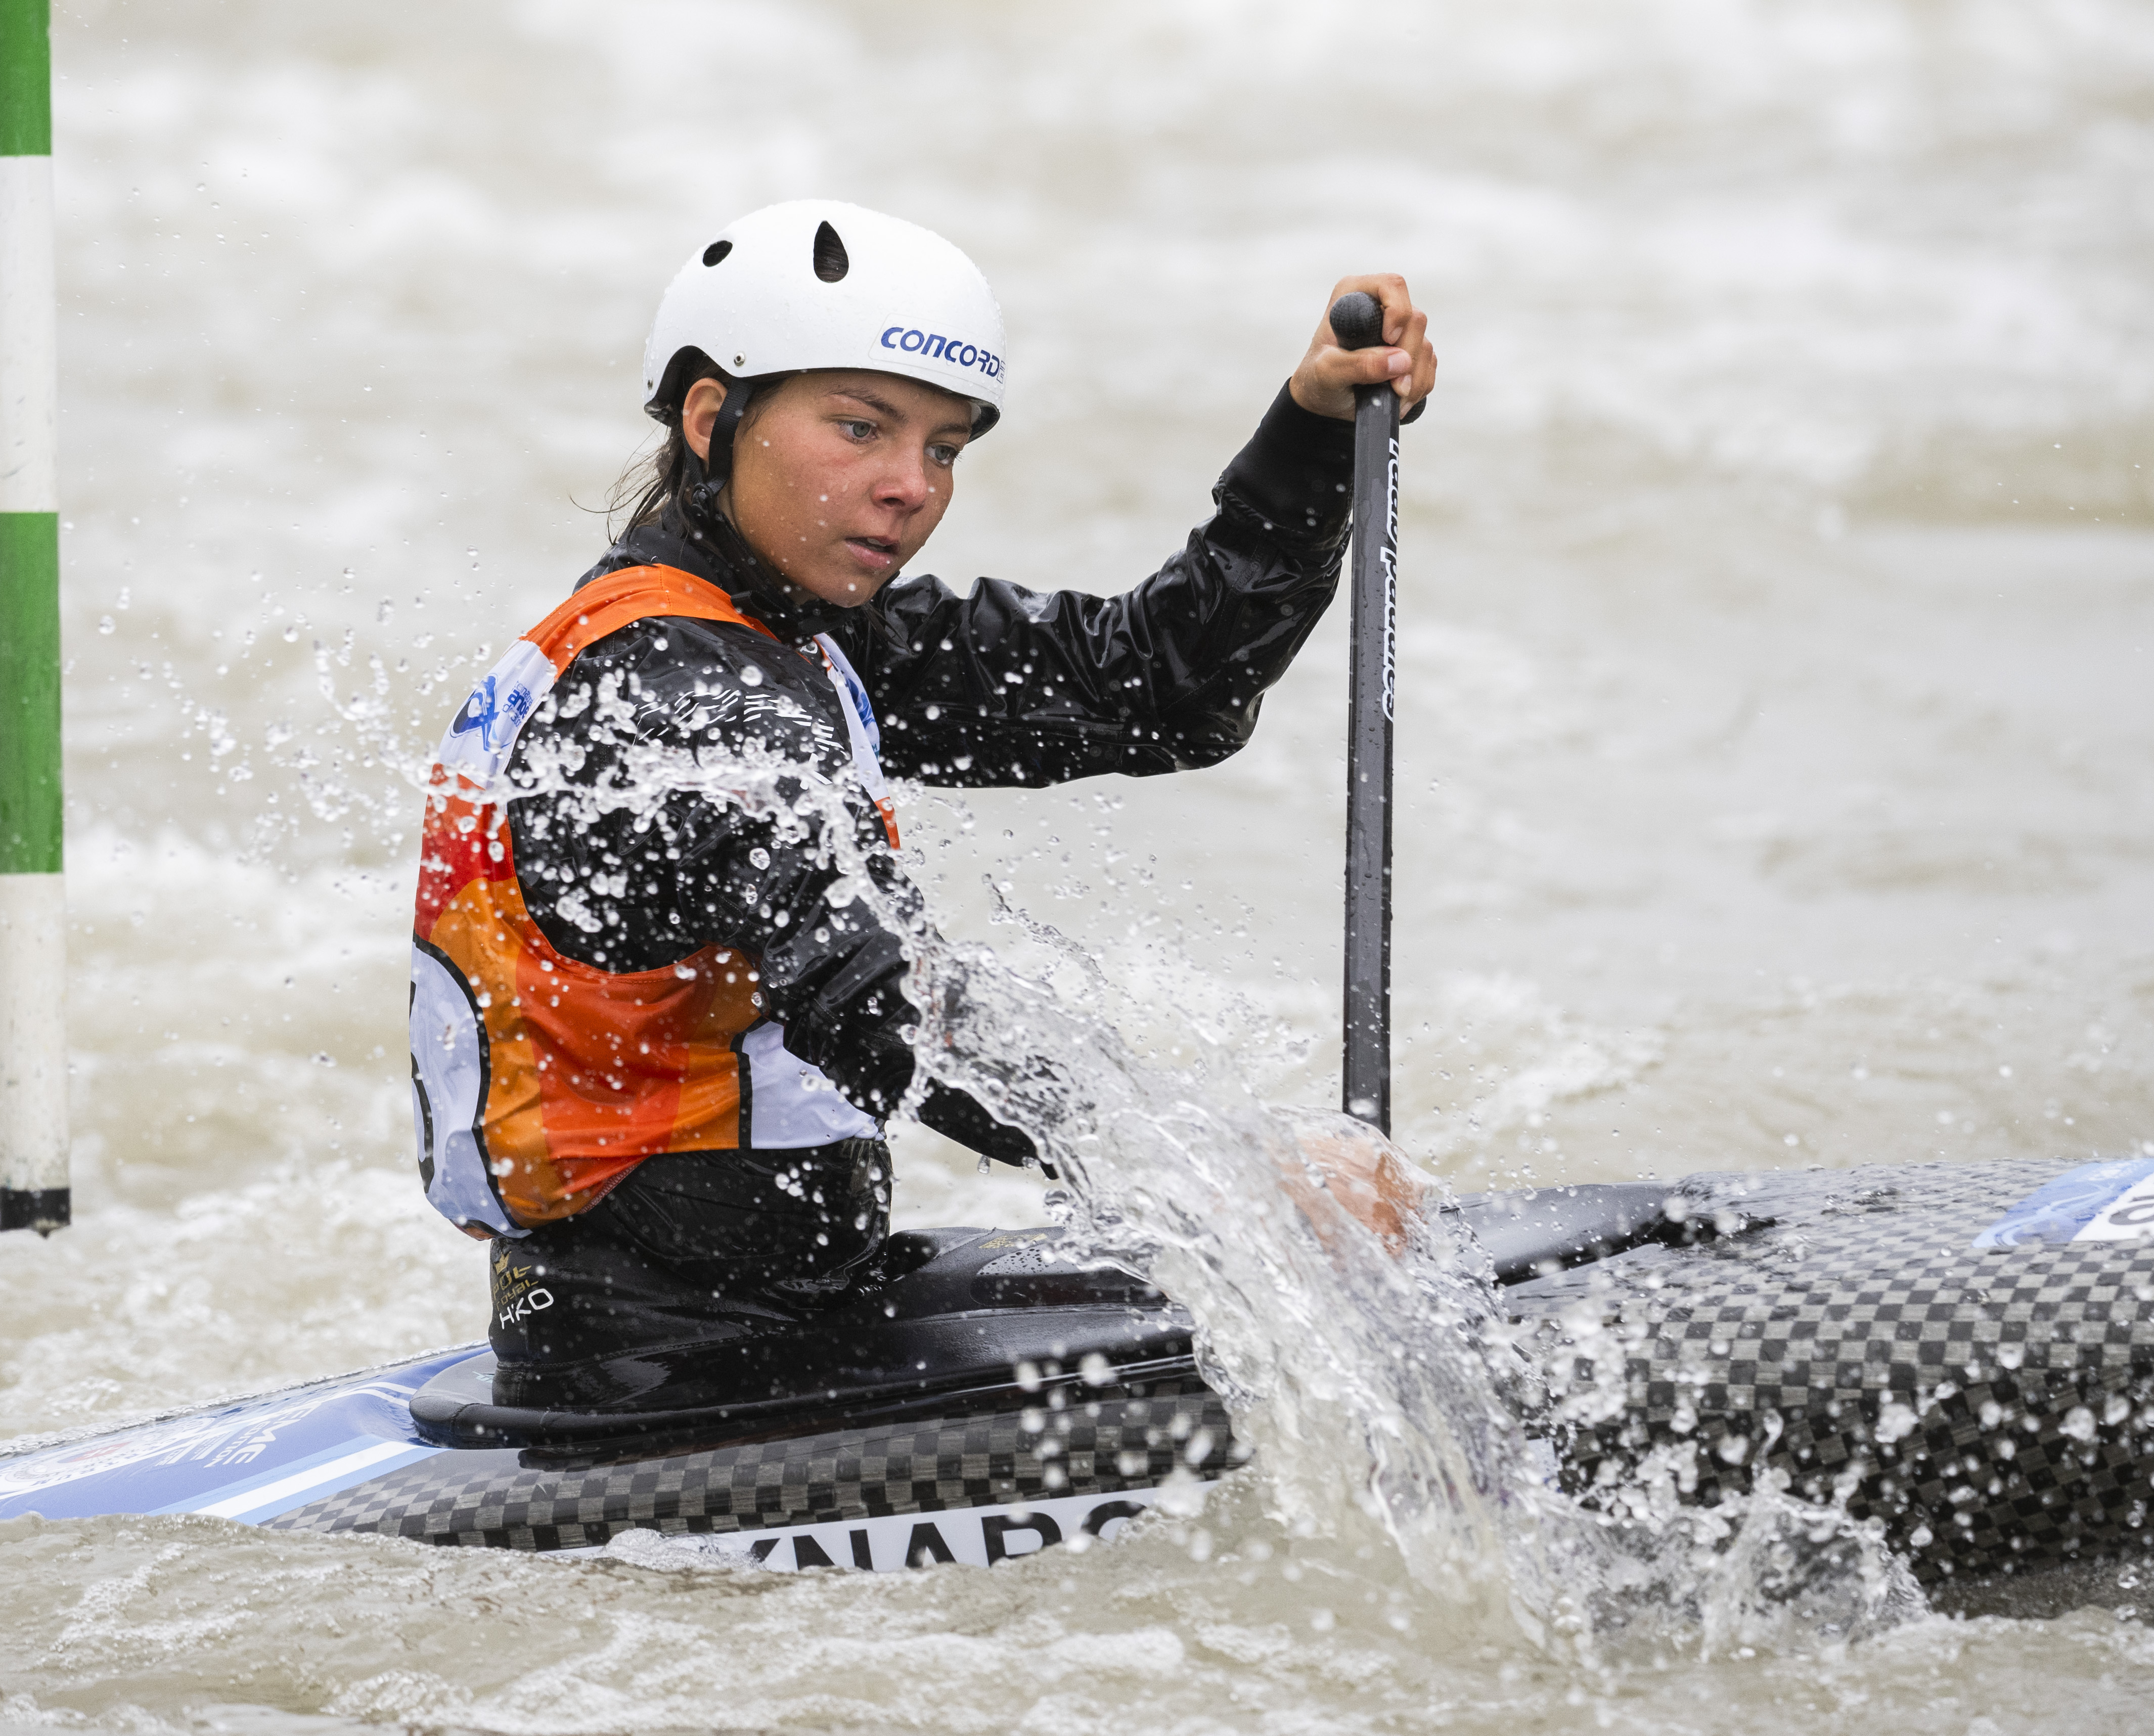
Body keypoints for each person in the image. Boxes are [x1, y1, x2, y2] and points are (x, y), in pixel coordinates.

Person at [406, 200, 1437, 1411]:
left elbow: (1160, 685)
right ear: (709, 420)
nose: (909, 487)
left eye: (944, 449)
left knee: (1311, 1280)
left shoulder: (798, 636)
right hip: (663, 1364)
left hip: (799, 1299)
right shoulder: (668, 700)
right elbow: (891, 1005)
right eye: (860, 428)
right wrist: (1251, 1184)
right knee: (1288, 1292)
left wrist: (1313, 436)